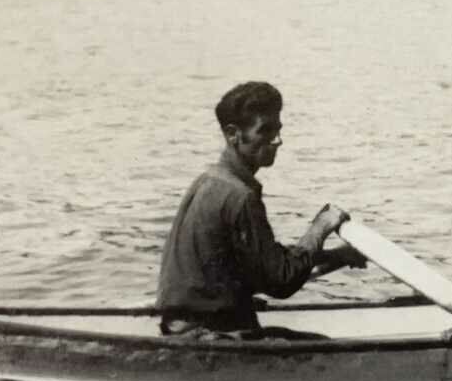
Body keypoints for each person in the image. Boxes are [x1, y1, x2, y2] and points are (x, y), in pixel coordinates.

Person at [156, 81, 366, 337]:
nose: (278, 140)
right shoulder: (240, 196)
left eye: (278, 129)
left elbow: (261, 264)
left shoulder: (208, 180)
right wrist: (320, 228)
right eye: (265, 130)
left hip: (182, 327)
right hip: (211, 335)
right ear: (233, 134)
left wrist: (337, 256)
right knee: (324, 347)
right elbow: (281, 282)